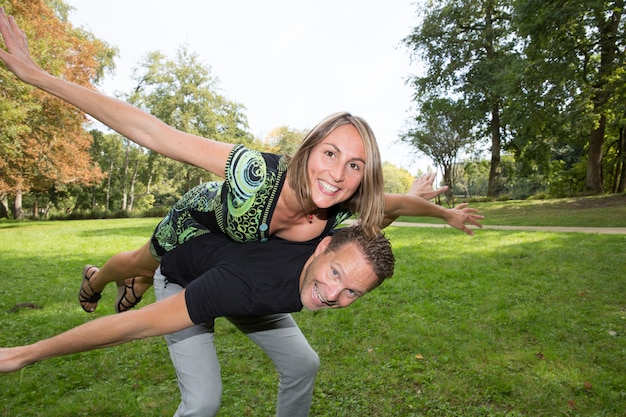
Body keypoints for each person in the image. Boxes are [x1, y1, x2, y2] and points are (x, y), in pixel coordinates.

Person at [0, 8, 483, 316]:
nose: (338, 174)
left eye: (355, 166)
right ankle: (96, 279)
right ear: (308, 149)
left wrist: (445, 213)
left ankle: (133, 280)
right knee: (141, 263)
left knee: (152, 275)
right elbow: (153, 132)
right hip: (199, 221)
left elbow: (396, 203)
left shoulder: (341, 205)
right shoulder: (255, 173)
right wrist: (36, 74)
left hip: (226, 251)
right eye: (331, 154)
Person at [0, 224, 394, 385]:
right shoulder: (240, 286)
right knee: (204, 400)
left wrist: (417, 202)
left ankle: (127, 282)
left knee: (304, 362)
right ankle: (112, 280)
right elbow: (135, 326)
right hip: (183, 278)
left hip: (250, 289)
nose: (332, 296)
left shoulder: (335, 242)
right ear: (323, 249)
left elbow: (382, 214)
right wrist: (27, 353)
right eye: (337, 276)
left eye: (352, 293)